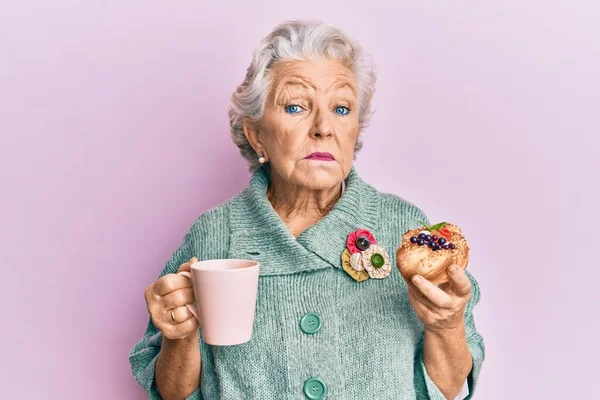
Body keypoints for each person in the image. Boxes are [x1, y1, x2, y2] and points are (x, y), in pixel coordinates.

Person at [129, 20, 485, 400]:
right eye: (296, 106)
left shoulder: (405, 229)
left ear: (356, 129)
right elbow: (174, 393)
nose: (323, 128)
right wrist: (179, 338)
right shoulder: (215, 235)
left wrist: (447, 327)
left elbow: (449, 390)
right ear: (256, 134)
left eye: (341, 108)